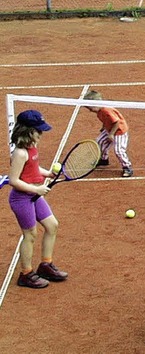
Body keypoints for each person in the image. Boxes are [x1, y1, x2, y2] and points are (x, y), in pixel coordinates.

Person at [8, 110, 68, 289]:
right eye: (38, 130)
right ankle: (26, 274)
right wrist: (36, 189)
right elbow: (14, 180)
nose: (41, 134)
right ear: (26, 130)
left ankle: (45, 266)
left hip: (34, 195)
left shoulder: (32, 146)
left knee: (52, 225)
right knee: (30, 234)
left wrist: (48, 173)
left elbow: (33, 168)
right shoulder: (20, 153)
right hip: (21, 199)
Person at [83, 90, 134, 177]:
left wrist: (111, 134)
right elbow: (106, 120)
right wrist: (104, 127)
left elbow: (116, 122)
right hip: (109, 129)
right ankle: (104, 159)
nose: (90, 110)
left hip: (119, 131)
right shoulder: (99, 111)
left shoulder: (106, 110)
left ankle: (127, 167)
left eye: (90, 108)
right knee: (100, 141)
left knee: (119, 151)